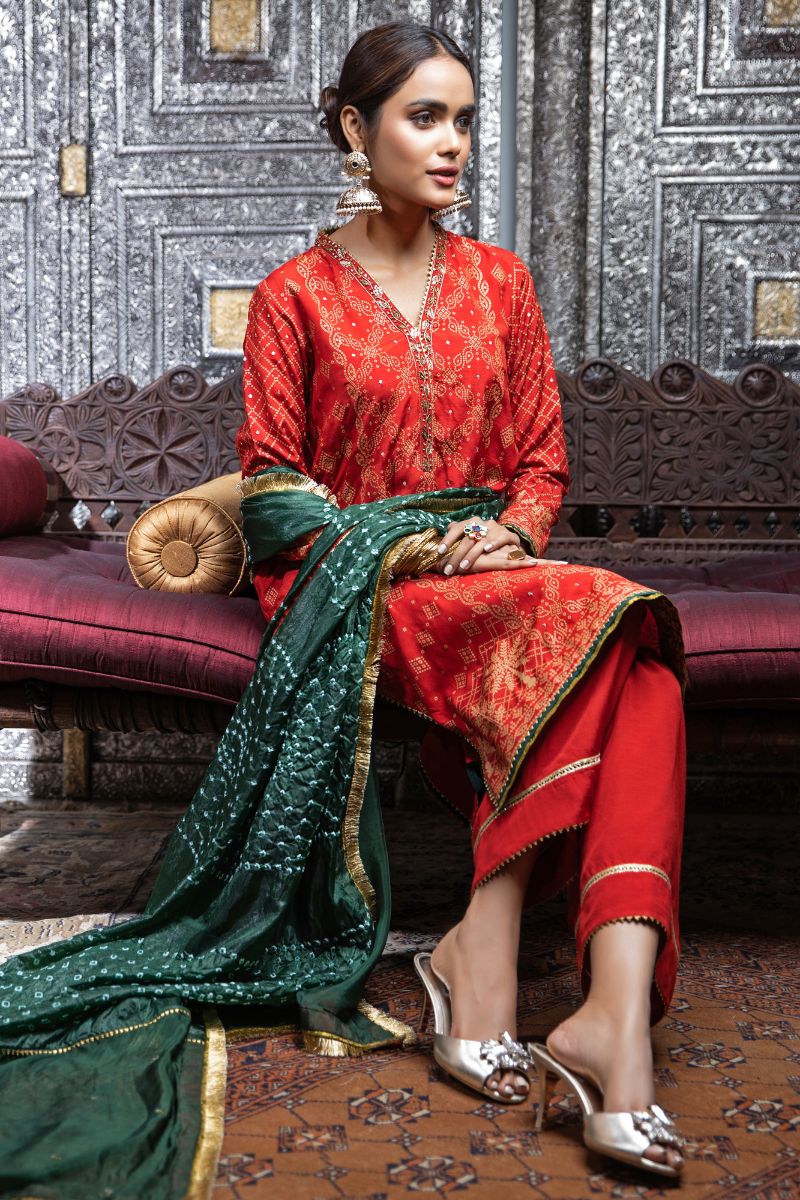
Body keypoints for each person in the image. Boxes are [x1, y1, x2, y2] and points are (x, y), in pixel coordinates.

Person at [236, 19, 687, 1180]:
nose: (452, 144)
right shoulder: (293, 297)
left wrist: (511, 532)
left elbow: (538, 458)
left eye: (464, 120)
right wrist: (401, 548)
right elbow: (273, 492)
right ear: (355, 128)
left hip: (497, 573)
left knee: (632, 660)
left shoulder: (500, 281)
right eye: (423, 117)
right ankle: (532, 988)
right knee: (617, 637)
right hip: (366, 588)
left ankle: (596, 1012)